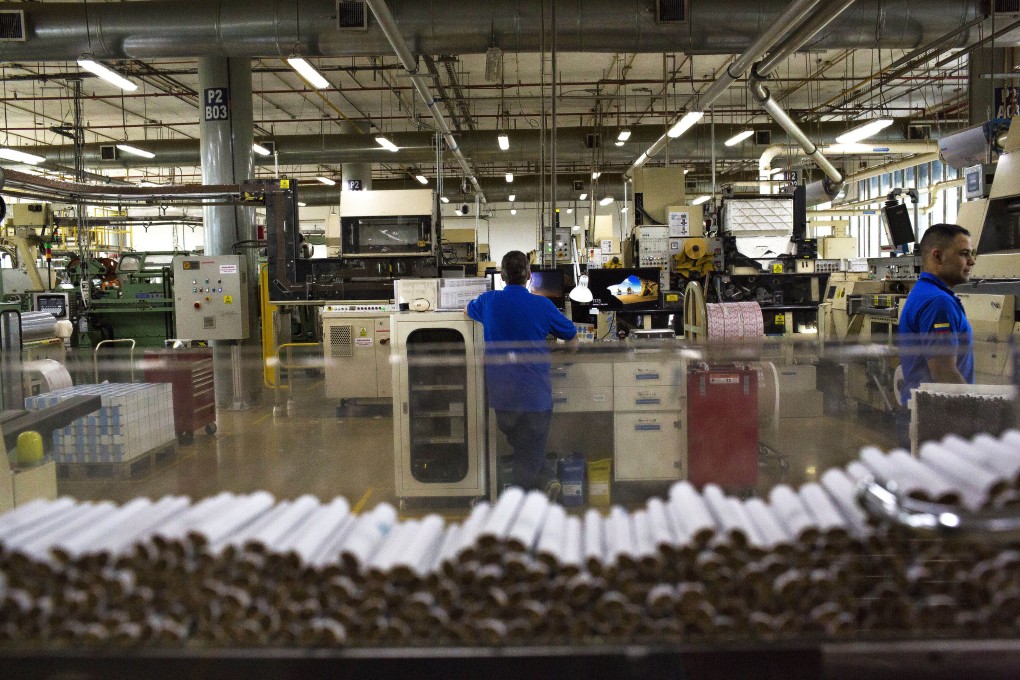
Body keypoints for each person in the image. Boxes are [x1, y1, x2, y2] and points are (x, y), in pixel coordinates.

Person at [466, 250, 578, 498]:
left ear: (502, 276)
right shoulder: (543, 304)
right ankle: (519, 505)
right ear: (529, 275)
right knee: (529, 455)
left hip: (502, 398)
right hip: (534, 397)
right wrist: (553, 358)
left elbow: (467, 311)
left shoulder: (487, 301)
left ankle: (547, 481)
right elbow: (572, 340)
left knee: (525, 448)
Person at [896, 223, 976, 442]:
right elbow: (944, 373)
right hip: (937, 420)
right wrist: (975, 417)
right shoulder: (938, 302)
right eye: (964, 254)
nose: (971, 261)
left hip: (924, 414)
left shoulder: (923, 292)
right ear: (937, 256)